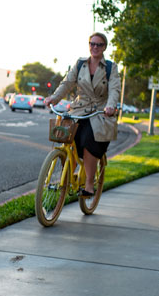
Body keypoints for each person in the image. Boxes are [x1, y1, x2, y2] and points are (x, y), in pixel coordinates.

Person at [43, 32, 122, 198]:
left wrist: (110, 106)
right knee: (64, 134)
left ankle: (88, 185)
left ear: (104, 47)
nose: (95, 47)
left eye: (99, 44)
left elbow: (114, 90)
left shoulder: (110, 67)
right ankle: (66, 174)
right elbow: (67, 83)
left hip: (100, 112)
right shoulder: (80, 64)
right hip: (79, 108)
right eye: (92, 43)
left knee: (89, 140)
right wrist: (54, 98)